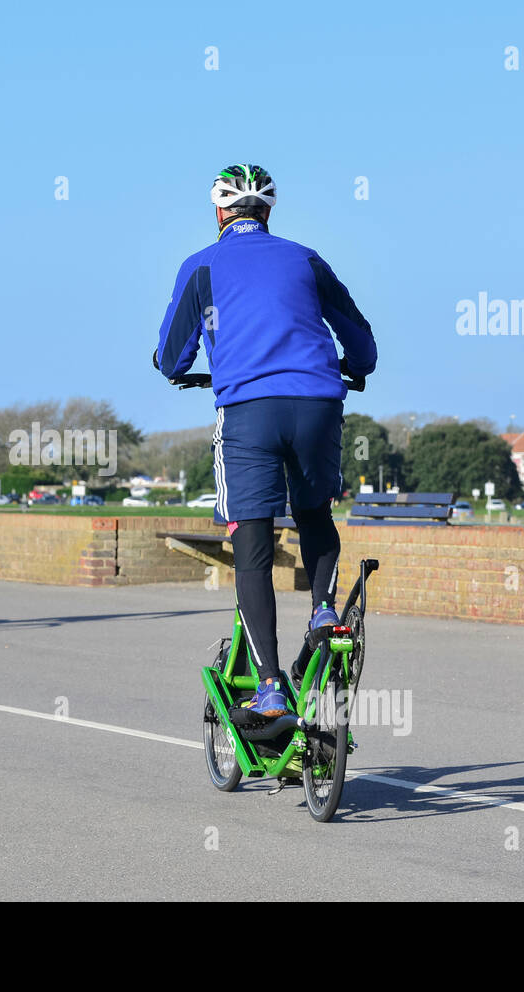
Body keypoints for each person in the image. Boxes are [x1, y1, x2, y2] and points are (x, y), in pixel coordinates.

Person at [155, 164, 377, 718]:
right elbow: (359, 336)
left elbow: (172, 355)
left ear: (219, 212)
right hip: (318, 403)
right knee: (314, 514)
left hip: (249, 413)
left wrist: (176, 367)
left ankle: (272, 687)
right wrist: (355, 365)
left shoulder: (201, 265)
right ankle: (324, 609)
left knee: (250, 546)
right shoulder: (304, 257)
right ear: (269, 213)